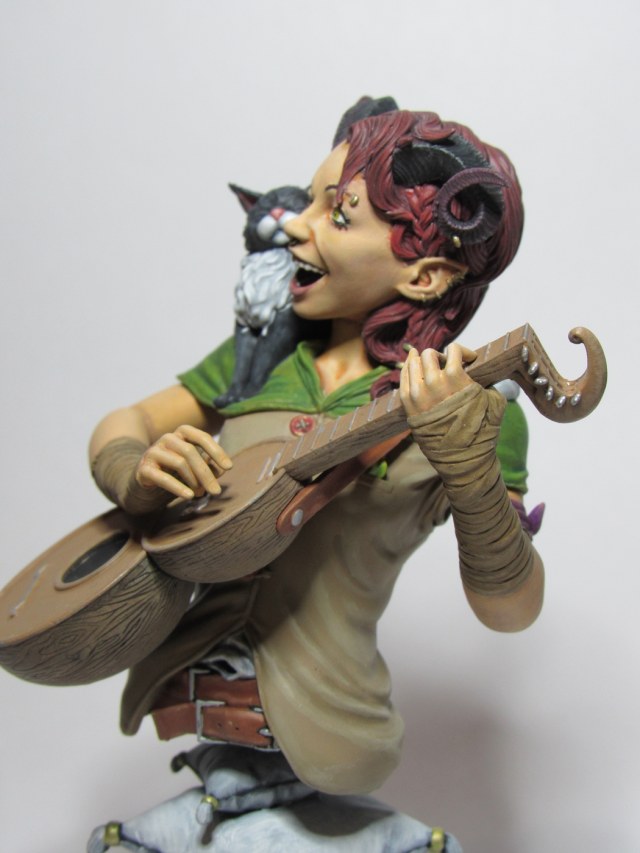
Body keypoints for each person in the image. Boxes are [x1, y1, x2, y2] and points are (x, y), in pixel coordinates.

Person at [89, 107, 543, 805]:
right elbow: (130, 421)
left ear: (425, 276)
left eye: (336, 215)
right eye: (307, 201)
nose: (296, 226)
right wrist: (134, 471)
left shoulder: (468, 412)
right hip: (188, 670)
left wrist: (473, 472)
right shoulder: (267, 354)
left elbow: (511, 608)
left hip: (330, 712)